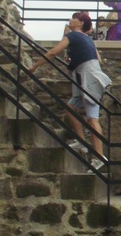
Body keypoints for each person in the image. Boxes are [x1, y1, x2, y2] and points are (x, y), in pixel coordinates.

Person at [30, 10, 111, 170]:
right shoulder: (87, 39)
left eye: (74, 18)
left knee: (92, 118)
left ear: (80, 23)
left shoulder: (73, 36)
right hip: (86, 76)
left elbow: (53, 52)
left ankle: (100, 157)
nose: (70, 19)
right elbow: (98, 59)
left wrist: (33, 67)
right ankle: (82, 143)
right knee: (71, 107)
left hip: (87, 78)